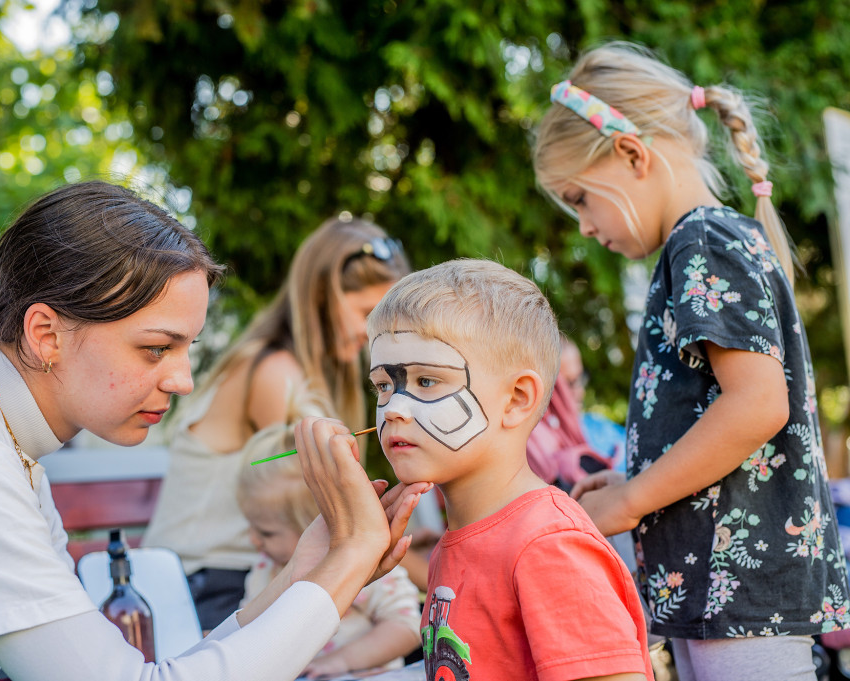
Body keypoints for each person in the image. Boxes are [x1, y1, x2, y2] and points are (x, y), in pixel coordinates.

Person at [0, 180, 429, 681]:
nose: (183, 381)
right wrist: (349, 560)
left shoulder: (0, 436)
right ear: (46, 335)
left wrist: (306, 572)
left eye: (187, 349)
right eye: (155, 349)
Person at [532, 42, 850, 680]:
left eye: (580, 199)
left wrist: (628, 503)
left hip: (740, 590)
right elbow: (708, 413)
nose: (584, 227)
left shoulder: (703, 241)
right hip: (716, 588)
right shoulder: (698, 246)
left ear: (630, 153)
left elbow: (757, 404)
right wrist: (630, 482)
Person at [364, 258, 654, 681]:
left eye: (426, 381)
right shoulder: (457, 542)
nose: (394, 410)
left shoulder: (548, 546)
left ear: (517, 398)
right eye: (384, 386)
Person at [142, 215, 410, 630]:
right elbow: (337, 508)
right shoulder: (272, 372)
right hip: (204, 586)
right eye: (365, 313)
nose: (371, 334)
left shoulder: (308, 374)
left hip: (257, 571)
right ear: (322, 296)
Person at [237, 424, 421, 679]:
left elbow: (407, 627)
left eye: (266, 532)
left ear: (317, 527)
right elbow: (249, 633)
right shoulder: (265, 571)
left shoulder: (363, 565)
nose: (253, 540)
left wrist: (343, 660)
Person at [559, 334, 627, 471]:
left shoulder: (600, 426)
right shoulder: (535, 452)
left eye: (580, 379)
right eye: (568, 384)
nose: (579, 392)